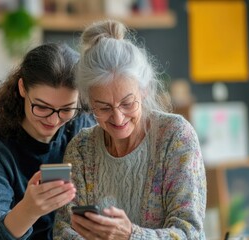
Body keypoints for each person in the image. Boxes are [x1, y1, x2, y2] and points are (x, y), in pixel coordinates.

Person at [53, 20, 207, 239]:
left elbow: (190, 233)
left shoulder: (175, 137)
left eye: (127, 103)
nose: (118, 117)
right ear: (88, 101)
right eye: (104, 107)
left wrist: (130, 235)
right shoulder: (81, 149)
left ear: (143, 90)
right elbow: (63, 230)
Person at [0, 43, 96, 240]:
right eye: (42, 107)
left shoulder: (84, 124)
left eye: (66, 109)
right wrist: (29, 209)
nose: (54, 120)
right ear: (22, 88)